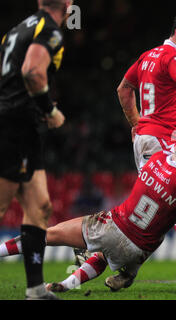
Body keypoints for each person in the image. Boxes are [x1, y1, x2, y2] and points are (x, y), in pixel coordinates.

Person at [0, 135, 176, 294]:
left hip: (115, 226)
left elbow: (152, 141)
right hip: (141, 251)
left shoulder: (156, 158)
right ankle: (97, 280)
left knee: (49, 234)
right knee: (105, 256)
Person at [114, 13, 176, 265]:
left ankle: (108, 259)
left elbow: (123, 89)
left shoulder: (147, 56)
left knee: (158, 208)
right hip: (160, 141)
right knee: (171, 204)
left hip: (148, 139)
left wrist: (137, 123)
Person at [0, 0, 71, 300]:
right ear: (67, 3)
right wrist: (49, 109)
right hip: (13, 125)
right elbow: (32, 71)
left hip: (22, 126)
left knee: (40, 207)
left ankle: (35, 291)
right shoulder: (50, 30)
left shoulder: (19, 27)